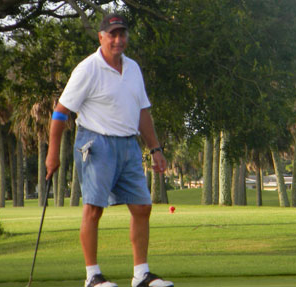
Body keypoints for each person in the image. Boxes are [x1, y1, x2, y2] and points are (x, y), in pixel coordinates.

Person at [46, 13, 173, 287]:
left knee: (142, 207)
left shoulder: (133, 68)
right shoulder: (87, 69)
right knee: (93, 209)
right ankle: (92, 276)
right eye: (112, 34)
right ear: (101, 37)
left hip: (129, 144)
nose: (118, 40)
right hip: (96, 143)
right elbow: (60, 114)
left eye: (122, 34)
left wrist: (156, 148)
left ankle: (141, 274)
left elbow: (143, 112)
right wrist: (52, 153)